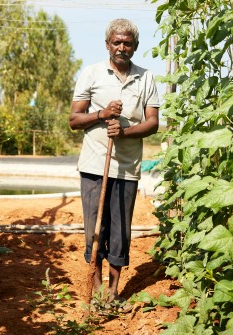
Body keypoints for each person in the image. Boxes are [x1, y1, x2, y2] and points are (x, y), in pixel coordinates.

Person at [69, 18, 160, 309]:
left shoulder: (146, 78)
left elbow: (153, 123)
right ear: (107, 44)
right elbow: (74, 120)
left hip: (127, 168)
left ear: (135, 46)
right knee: (96, 228)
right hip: (95, 165)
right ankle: (95, 287)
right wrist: (102, 114)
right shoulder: (92, 73)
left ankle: (114, 290)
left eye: (127, 43)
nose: (122, 47)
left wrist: (124, 132)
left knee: (121, 230)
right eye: (117, 42)